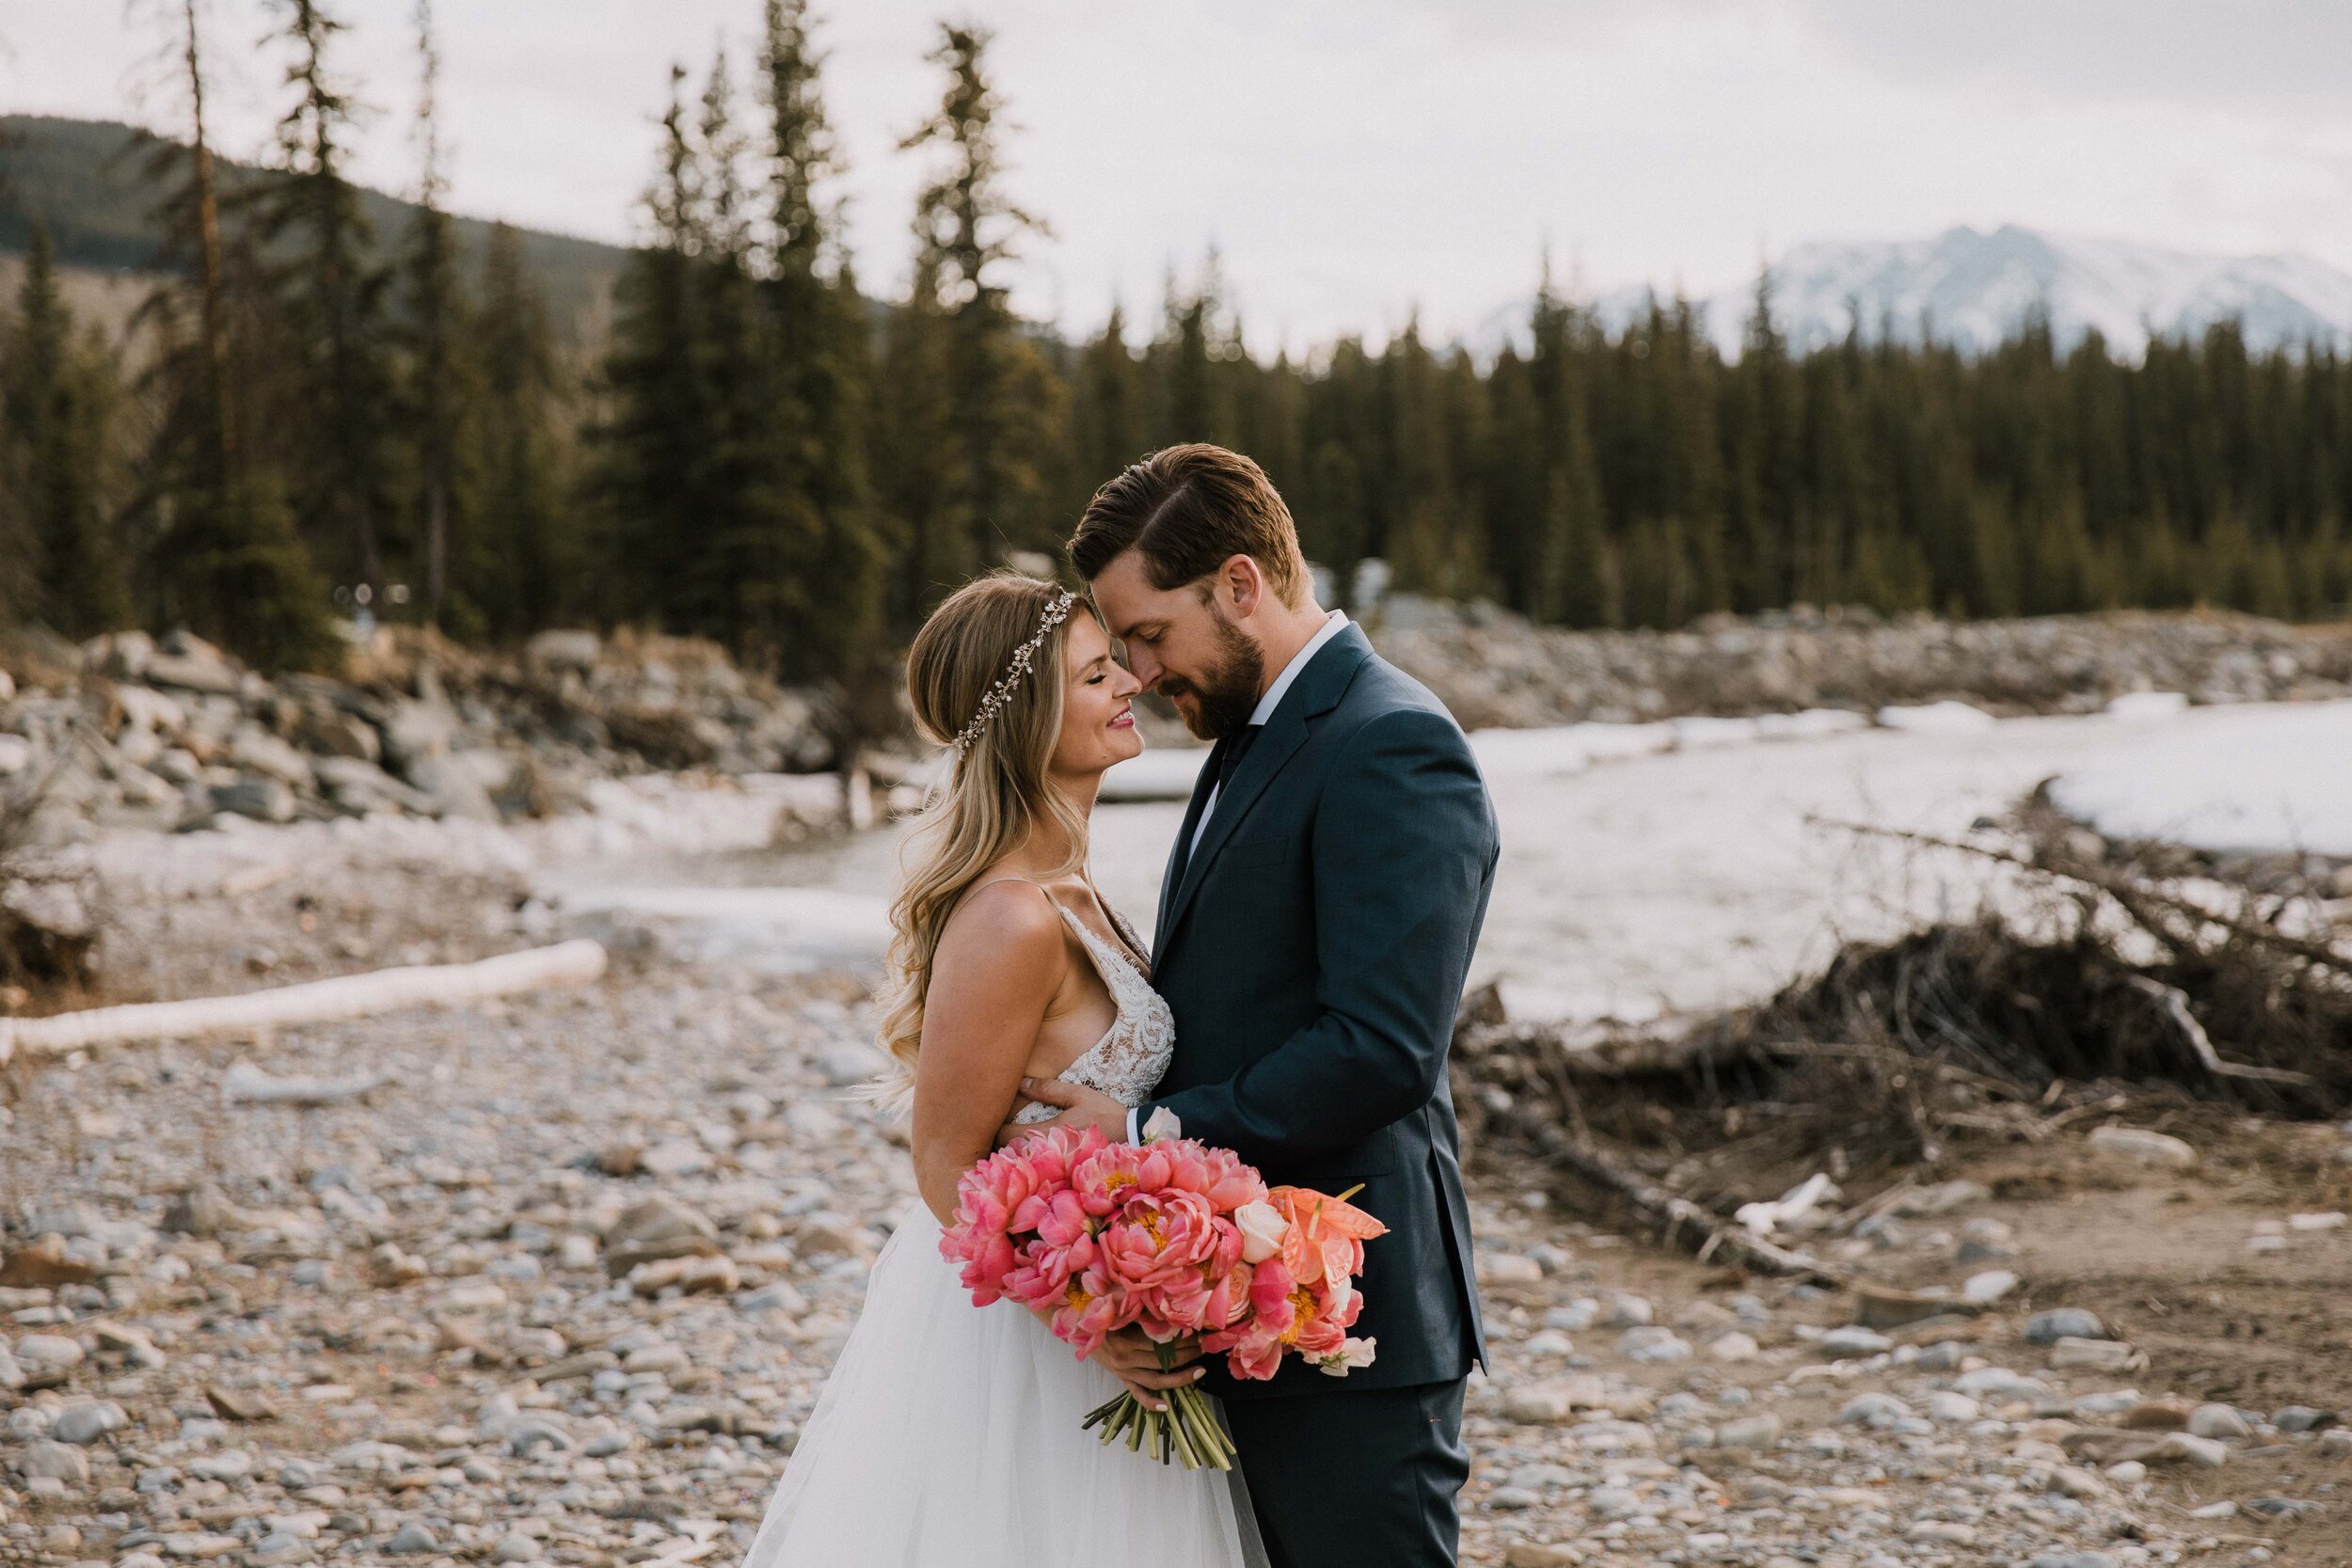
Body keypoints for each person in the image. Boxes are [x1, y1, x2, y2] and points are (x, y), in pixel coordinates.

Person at [1015, 443, 1498, 1568]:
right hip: (1241, 1295)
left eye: (1146, 633)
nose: (1135, 669)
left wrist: (1139, 1139)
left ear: (1239, 585)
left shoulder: (1391, 743)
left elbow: (1381, 1049)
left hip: (1353, 1319)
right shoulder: (1255, 732)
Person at [739, 571, 1267, 1568]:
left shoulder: (1074, 887)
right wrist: (1085, 1309)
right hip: (1035, 1350)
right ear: (1028, 716)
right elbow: (943, 1159)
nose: (1132, 685)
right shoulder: (1012, 914)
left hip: (1103, 1307)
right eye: (1096, 673)